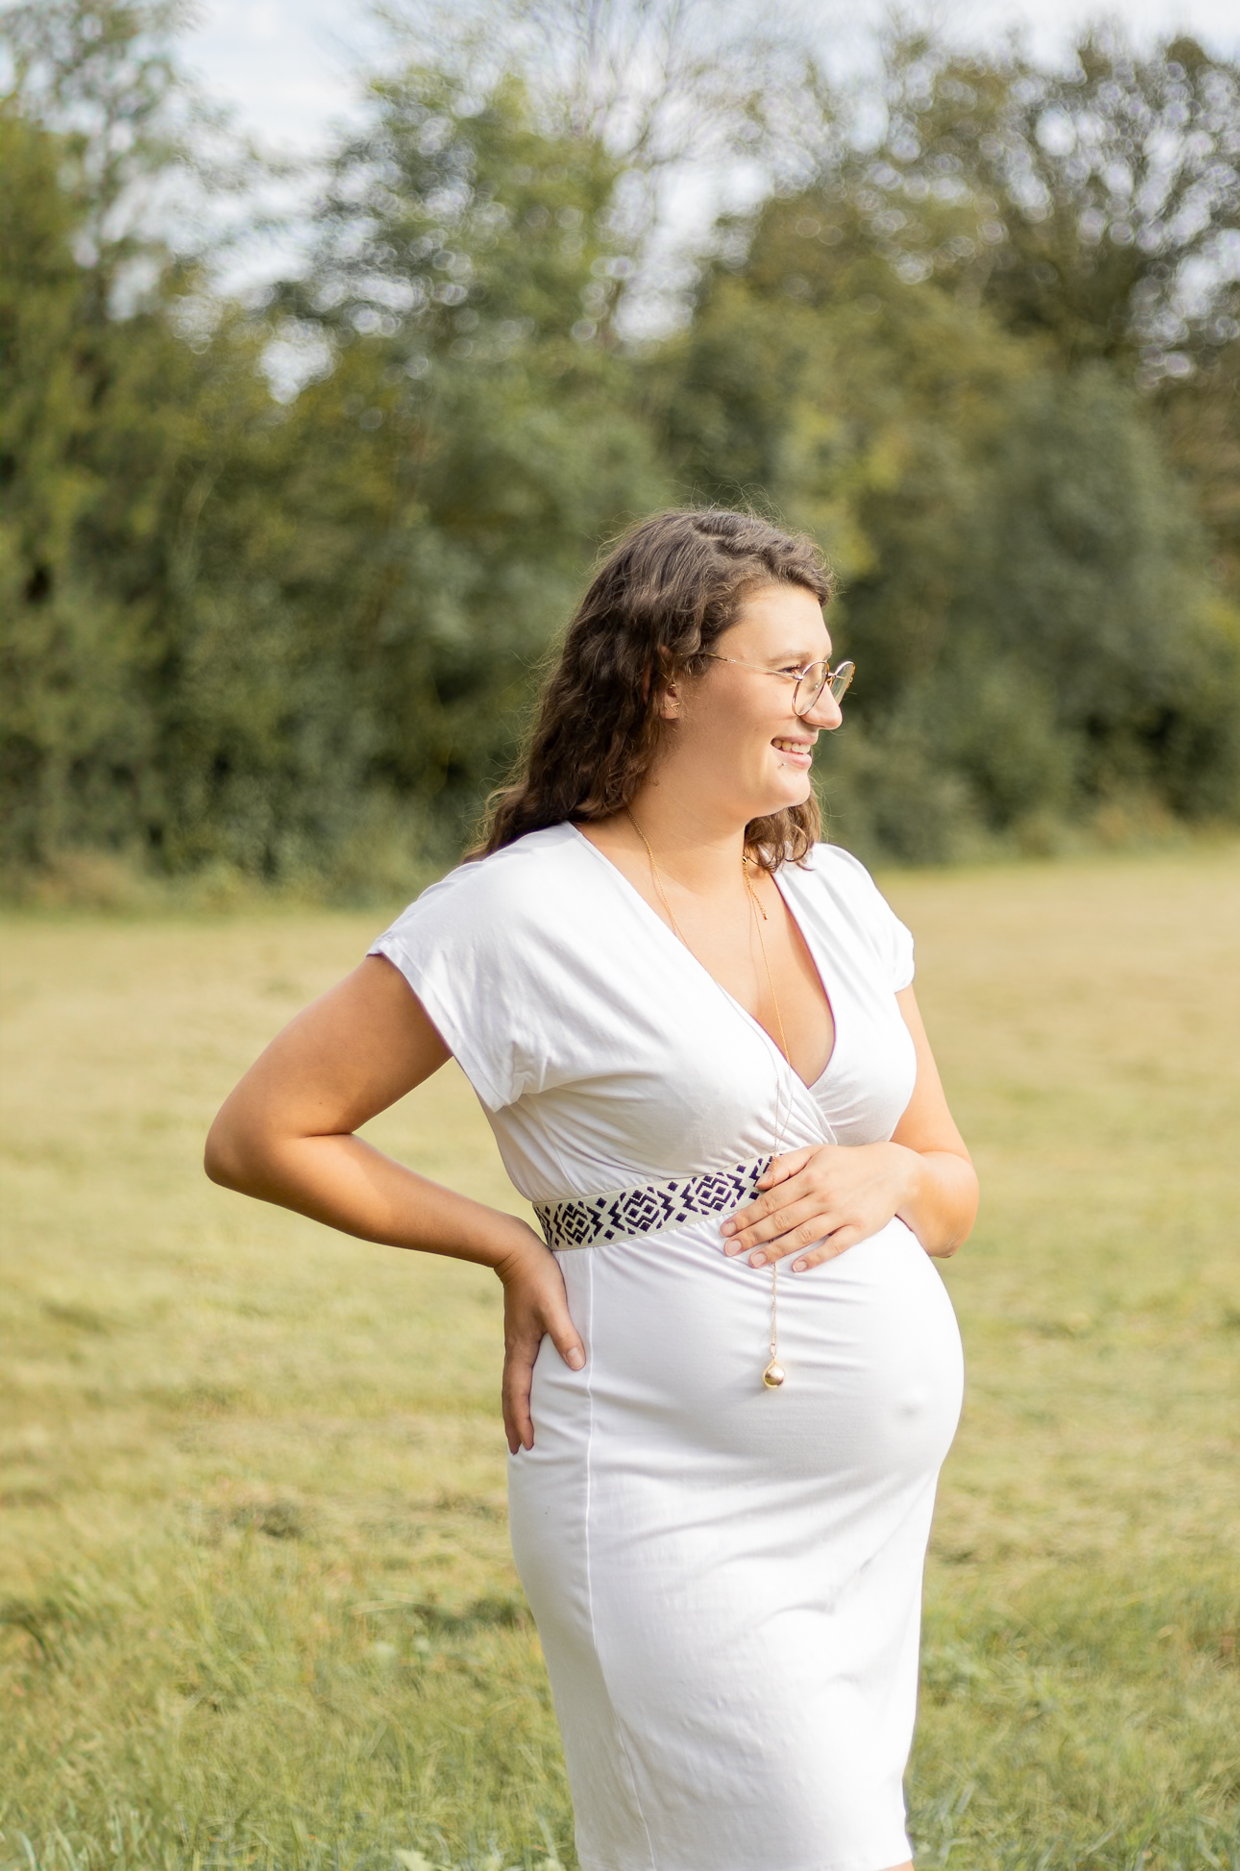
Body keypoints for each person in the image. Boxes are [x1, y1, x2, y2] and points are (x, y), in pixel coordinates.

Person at [204, 507, 977, 1871]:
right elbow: (267, 1130)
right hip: (661, 1492)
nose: (825, 714)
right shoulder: (520, 912)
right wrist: (504, 1243)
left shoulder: (838, 896)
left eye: (831, 675)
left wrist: (897, 1166)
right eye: (792, 673)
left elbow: (956, 1194)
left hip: (864, 1526)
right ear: (669, 675)